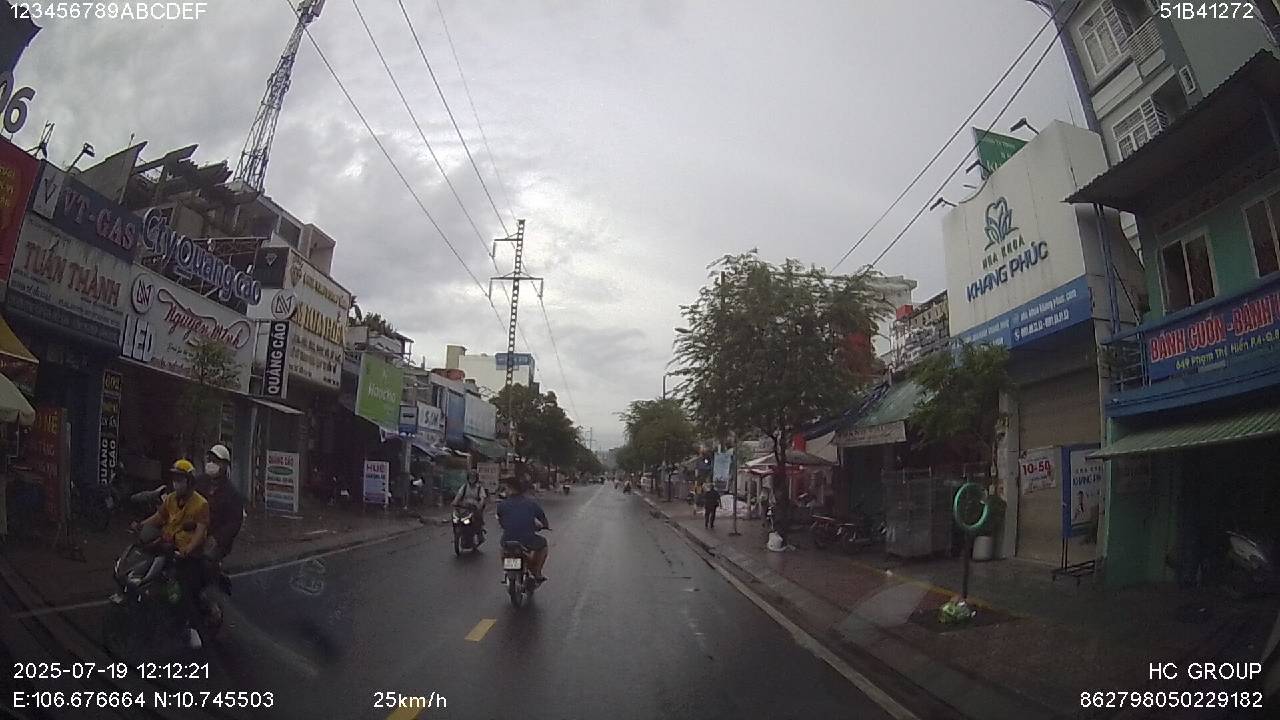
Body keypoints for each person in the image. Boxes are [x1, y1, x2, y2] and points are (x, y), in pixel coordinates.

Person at [135, 459, 209, 649]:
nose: (176, 483)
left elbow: (200, 532)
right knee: (145, 575)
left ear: (190, 481)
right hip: (166, 548)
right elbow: (159, 517)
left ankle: (191, 630)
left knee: (184, 591)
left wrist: (187, 550)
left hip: (188, 557)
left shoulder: (201, 504)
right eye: (175, 478)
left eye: (180, 479)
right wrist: (141, 525)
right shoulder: (170, 499)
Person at [496, 476, 550, 582]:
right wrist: (543, 526)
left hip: (508, 539)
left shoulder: (502, 505)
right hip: (527, 539)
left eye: (505, 488)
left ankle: (506, 571)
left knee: (503, 547)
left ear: (510, 488)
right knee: (543, 545)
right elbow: (543, 520)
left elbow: (501, 522)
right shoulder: (531, 503)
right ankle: (537, 573)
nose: (505, 491)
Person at [196, 444, 243, 563]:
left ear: (225, 465)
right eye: (210, 460)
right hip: (194, 532)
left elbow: (234, 523)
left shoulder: (232, 493)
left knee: (206, 561)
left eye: (216, 461)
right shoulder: (198, 482)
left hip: (216, 540)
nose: (212, 464)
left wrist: (217, 538)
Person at [453, 470, 489, 537]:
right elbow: (458, 495)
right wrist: (455, 502)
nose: (472, 479)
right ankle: (457, 533)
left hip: (474, 508)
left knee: (478, 518)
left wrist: (480, 505)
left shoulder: (479, 488)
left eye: (473, 478)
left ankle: (479, 533)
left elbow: (482, 498)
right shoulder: (464, 487)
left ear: (476, 479)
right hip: (464, 508)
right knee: (455, 518)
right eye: (470, 477)